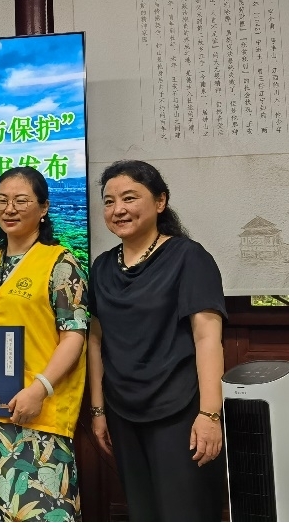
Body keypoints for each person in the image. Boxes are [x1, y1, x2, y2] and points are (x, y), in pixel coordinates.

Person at [87, 160, 226, 521]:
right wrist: (98, 411)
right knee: (142, 511)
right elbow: (96, 341)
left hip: (180, 411)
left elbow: (207, 337)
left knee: (186, 511)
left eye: (129, 198)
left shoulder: (189, 257)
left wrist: (210, 414)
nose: (118, 209)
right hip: (122, 412)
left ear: (160, 201)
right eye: (109, 201)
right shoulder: (102, 267)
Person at [0, 166, 87, 521]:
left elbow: (74, 336)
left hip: (40, 415)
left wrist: (39, 389)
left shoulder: (61, 264)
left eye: (21, 200)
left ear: (43, 208)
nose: (9, 209)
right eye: (2, 200)